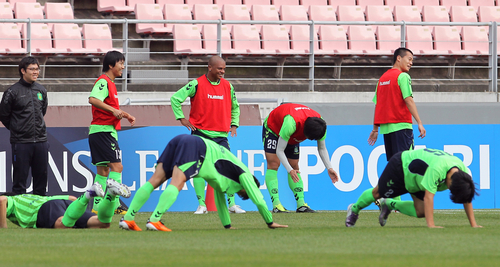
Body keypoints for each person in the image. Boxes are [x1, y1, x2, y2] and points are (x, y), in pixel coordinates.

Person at [118, 134, 288, 231]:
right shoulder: (244, 175)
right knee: (178, 182)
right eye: (247, 192)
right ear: (249, 186)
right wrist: (270, 222)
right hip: (198, 147)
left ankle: (129, 218)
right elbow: (258, 199)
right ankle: (155, 220)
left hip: (181, 140)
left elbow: (220, 200)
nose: (246, 193)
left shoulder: (226, 181)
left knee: (154, 180)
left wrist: (227, 225)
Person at [170, 55, 245, 215]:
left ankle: (232, 204)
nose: (222, 72)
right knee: (198, 168)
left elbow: (235, 107)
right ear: (210, 67)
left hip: (221, 136)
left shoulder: (228, 86)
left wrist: (234, 124)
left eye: (224, 69)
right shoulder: (196, 84)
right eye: (220, 68)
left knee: (228, 168)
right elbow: (175, 99)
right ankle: (201, 205)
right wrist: (181, 118)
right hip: (200, 133)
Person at [345, 148, 482, 228]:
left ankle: (389, 205)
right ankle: (354, 209)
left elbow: (466, 196)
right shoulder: (438, 169)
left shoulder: (462, 173)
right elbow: (429, 197)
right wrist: (431, 225)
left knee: (421, 212)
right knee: (377, 193)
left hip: (418, 180)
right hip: (401, 167)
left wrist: (473, 224)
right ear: (451, 181)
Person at [262, 103, 339, 213]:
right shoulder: (290, 124)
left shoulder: (321, 125)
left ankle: (301, 205)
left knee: (295, 165)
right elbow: (280, 150)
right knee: (273, 164)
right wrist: (289, 170)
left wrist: (329, 168)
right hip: (273, 128)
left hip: (293, 133)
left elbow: (322, 149)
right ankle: (276, 205)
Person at [88, 50, 136, 216]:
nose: (123, 66)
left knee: (103, 171)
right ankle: (115, 204)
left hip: (100, 131)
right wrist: (114, 111)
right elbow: (93, 99)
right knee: (117, 166)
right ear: (110, 65)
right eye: (120, 63)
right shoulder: (103, 81)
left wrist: (125, 114)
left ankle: (97, 205)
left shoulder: (111, 84)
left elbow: (109, 108)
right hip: (103, 131)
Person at [0, 57, 49, 196]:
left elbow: (42, 112)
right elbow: (3, 115)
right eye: (32, 69)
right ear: (23, 71)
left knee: (41, 181)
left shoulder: (41, 90)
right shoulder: (12, 92)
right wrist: (17, 128)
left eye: (37, 69)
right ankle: (19, 215)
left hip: (41, 141)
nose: (36, 72)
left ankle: (40, 214)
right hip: (21, 143)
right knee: (19, 183)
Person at [368, 47, 426, 161]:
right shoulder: (403, 76)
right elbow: (408, 100)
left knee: (394, 166)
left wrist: (375, 130)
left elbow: (378, 105)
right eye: (409, 59)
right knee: (406, 164)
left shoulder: (382, 79)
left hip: (387, 131)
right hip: (402, 127)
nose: (411, 63)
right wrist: (419, 122)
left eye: (412, 61)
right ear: (399, 58)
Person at [0, 180, 130, 229]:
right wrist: (77, 209)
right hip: (60, 203)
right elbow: (71, 198)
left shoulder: (14, 200)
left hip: (44, 209)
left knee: (63, 225)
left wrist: (3, 228)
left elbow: (2, 201)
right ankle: (111, 195)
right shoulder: (30, 196)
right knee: (102, 223)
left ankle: (87, 195)